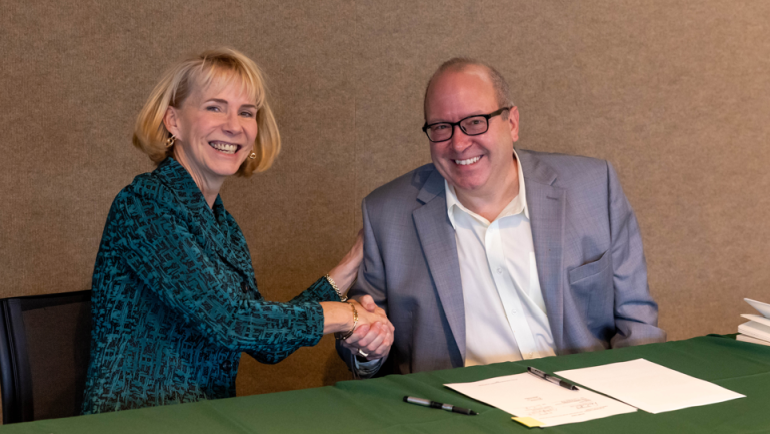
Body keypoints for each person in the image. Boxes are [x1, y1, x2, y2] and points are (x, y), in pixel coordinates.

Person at [82, 48, 391, 414]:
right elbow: (231, 322)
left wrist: (351, 264)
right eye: (215, 107)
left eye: (246, 112)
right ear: (173, 122)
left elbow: (265, 342)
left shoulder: (222, 225)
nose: (234, 125)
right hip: (136, 421)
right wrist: (348, 315)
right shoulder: (144, 205)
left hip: (202, 419)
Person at [337, 58, 666, 377]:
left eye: (475, 122)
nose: (460, 142)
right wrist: (368, 347)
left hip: (585, 398)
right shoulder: (387, 213)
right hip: (462, 413)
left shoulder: (593, 187)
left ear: (512, 123)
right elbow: (361, 351)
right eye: (441, 127)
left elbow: (637, 322)